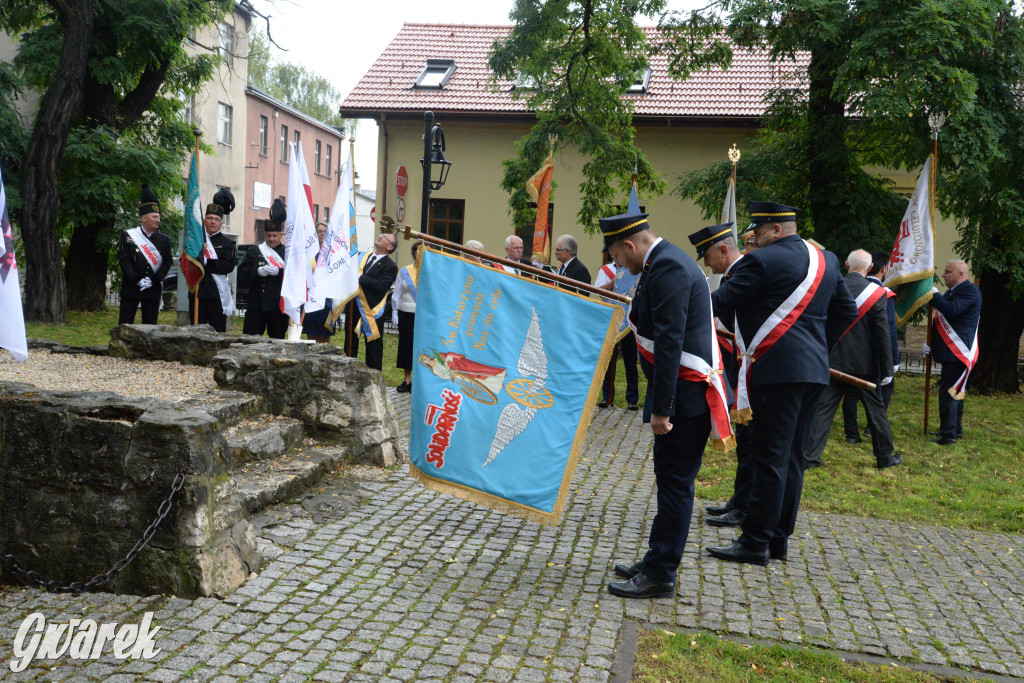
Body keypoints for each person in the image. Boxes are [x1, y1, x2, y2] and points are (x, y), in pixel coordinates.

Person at [705, 201, 856, 566]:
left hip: (774, 372)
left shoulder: (761, 262)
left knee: (769, 457)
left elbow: (719, 303)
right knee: (791, 458)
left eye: (757, 232)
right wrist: (816, 349)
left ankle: (755, 542)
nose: (754, 239)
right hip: (813, 373)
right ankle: (777, 539)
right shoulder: (827, 260)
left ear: (776, 230)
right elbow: (847, 311)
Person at [602, 208, 725, 600]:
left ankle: (661, 573)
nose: (616, 263)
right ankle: (658, 558)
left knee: (675, 484)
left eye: (617, 256)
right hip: (684, 397)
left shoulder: (668, 267)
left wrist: (662, 408)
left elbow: (670, 341)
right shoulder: (664, 261)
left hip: (684, 400)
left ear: (629, 244)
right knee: (670, 480)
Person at [803, 249, 901, 470]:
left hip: (832, 361)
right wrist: (887, 369)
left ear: (846, 265)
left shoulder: (829, 288)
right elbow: (882, 334)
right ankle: (884, 457)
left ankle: (809, 457)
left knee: (822, 410)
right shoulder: (877, 294)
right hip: (865, 365)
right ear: (868, 268)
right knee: (876, 412)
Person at [688, 223, 753, 528]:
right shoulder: (733, 275)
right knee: (746, 439)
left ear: (724, 250)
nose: (706, 263)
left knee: (752, 442)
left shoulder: (745, 273)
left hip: (750, 373)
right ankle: (739, 501)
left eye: (708, 255)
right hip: (740, 372)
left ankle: (745, 505)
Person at [842, 249, 899, 441]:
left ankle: (851, 434)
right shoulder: (880, 293)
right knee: (876, 404)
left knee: (847, 396)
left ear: (847, 264)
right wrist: (890, 364)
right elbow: (886, 332)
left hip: (838, 357)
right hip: (868, 359)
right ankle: (882, 448)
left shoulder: (837, 286)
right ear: (876, 267)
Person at [924, 259, 982, 445]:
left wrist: (934, 295)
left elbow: (952, 310)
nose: (943, 275)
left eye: (948, 272)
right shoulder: (954, 291)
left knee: (949, 393)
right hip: (951, 351)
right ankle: (954, 430)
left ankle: (948, 435)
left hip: (958, 352)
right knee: (955, 392)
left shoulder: (969, 291)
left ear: (961, 275)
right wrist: (931, 343)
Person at [117, 185, 172, 325]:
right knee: (125, 323)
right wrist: (136, 279)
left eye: (159, 217)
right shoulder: (128, 236)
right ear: (144, 218)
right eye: (154, 216)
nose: (157, 220)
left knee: (150, 326)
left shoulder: (164, 240)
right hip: (131, 286)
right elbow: (124, 260)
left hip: (152, 288)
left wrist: (154, 280)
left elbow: (167, 262)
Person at [343, 231, 398, 371]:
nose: (380, 236)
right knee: (350, 344)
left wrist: (359, 278)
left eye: (385, 237)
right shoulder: (362, 256)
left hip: (372, 310)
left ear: (390, 247)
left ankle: (374, 379)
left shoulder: (390, 266)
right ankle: (348, 372)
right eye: (381, 234)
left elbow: (381, 286)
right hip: (353, 306)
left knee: (373, 348)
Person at [239, 199, 289, 339]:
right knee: (250, 341)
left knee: (277, 341)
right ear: (264, 235)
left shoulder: (287, 253)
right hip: (256, 305)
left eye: (275, 236)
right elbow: (241, 275)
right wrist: (257, 272)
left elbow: (294, 278)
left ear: (280, 236)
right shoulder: (254, 251)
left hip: (278, 307)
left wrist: (279, 273)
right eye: (268, 236)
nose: (271, 239)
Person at [189, 188, 237, 332]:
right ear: (204, 220)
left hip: (217, 294)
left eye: (216, 219)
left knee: (218, 332)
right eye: (209, 218)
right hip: (197, 292)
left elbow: (227, 266)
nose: (212, 222)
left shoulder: (228, 243)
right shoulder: (196, 240)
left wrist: (207, 263)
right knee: (196, 333)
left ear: (221, 223)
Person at [595, 260, 639, 410]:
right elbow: (597, 291)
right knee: (609, 362)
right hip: (612, 319)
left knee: (630, 362)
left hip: (629, 321)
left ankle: (632, 400)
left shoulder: (635, 269)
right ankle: (607, 398)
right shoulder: (606, 270)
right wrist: (615, 282)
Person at [392, 241, 422, 392]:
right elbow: (397, 292)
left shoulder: (431, 272)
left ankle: (419, 381)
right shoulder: (405, 271)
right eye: (417, 250)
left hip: (423, 315)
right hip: (405, 312)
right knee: (405, 346)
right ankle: (407, 379)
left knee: (420, 347)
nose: (419, 253)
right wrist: (394, 311)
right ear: (413, 252)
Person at [302, 221, 335, 343]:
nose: (322, 234)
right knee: (311, 334)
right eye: (319, 231)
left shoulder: (333, 253)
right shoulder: (310, 252)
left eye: (324, 231)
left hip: (327, 300)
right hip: (311, 297)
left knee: (324, 335)